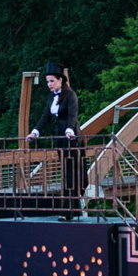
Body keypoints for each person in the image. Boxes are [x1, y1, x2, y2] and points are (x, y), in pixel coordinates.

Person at [25, 62, 88, 220]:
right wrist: (35, 132)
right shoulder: (51, 98)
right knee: (67, 173)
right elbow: (45, 117)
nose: (49, 84)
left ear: (60, 80)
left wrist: (69, 130)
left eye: (52, 81)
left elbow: (73, 115)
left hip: (72, 138)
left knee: (71, 174)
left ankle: (67, 212)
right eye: (47, 82)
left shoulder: (70, 95)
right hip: (61, 138)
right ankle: (74, 210)